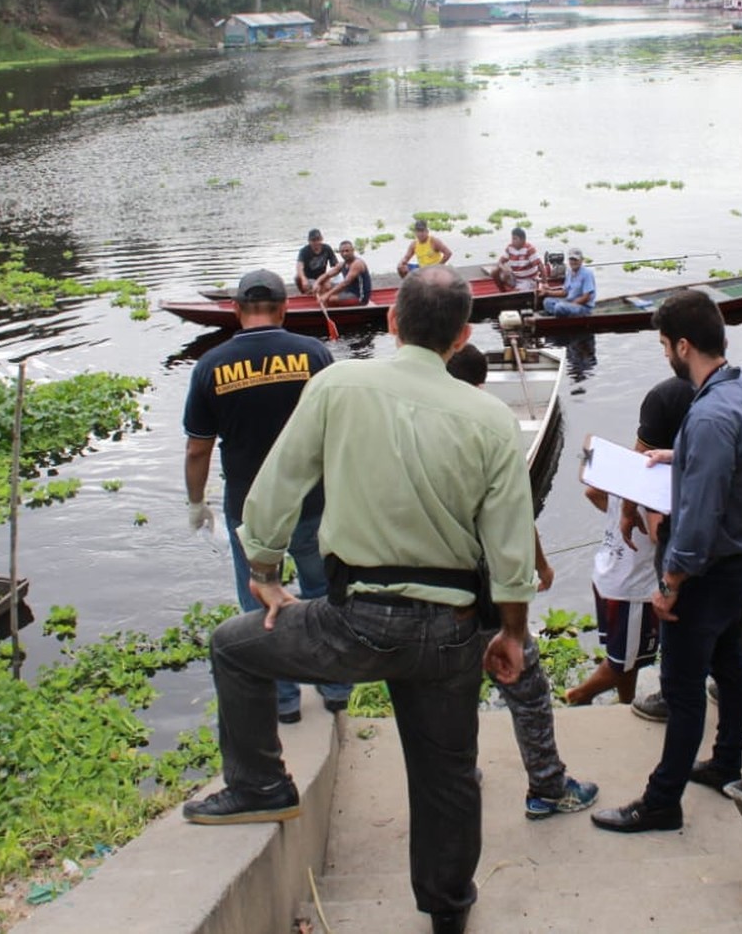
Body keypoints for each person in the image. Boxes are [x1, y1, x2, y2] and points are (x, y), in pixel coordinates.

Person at [183, 266, 535, 934]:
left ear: (393, 321)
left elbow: (277, 488)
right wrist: (510, 634)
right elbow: (512, 550)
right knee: (448, 776)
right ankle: (449, 910)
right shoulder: (491, 419)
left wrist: (264, 568)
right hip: (453, 628)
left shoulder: (338, 383)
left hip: (357, 624)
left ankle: (262, 786)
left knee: (235, 647)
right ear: (463, 336)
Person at [592, 291, 742, 833]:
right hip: (740, 561)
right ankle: (726, 762)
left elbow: (698, 512)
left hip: (704, 573)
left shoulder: (707, 414)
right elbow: (733, 460)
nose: (665, 354)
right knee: (731, 669)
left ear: (684, 345)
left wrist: (670, 580)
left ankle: (661, 800)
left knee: (684, 688)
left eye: (666, 345)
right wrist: (678, 455)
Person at [181, 269, 350, 723]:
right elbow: (338, 430)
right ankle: (335, 690)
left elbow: (199, 447)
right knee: (323, 594)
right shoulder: (313, 354)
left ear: (236, 310)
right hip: (313, 504)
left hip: (249, 511)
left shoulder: (210, 366)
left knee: (260, 602)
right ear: (285, 308)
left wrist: (196, 502)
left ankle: (286, 703)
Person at [442, 343, 599, 819]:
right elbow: (512, 510)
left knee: (453, 686)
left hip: (437, 580)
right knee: (526, 688)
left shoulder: (419, 422)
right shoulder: (491, 421)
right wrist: (541, 565)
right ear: (482, 384)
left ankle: (458, 775)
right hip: (485, 579)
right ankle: (548, 788)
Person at [565, 376, 695, 707]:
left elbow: (589, 483)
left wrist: (619, 507)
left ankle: (626, 705)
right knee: (622, 662)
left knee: (629, 656)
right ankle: (577, 695)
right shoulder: (660, 485)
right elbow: (656, 532)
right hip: (634, 590)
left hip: (607, 574)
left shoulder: (622, 469)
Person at [315, 239, 372, 306]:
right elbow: (327, 275)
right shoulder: (342, 264)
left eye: (347, 251)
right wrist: (317, 283)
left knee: (329, 299)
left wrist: (327, 295)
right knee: (324, 283)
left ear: (353, 250)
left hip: (359, 297)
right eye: (342, 251)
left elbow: (345, 283)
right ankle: (325, 303)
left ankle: (328, 306)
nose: (345, 253)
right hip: (348, 291)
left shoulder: (357, 264)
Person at [541, 247, 595, 317]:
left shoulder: (587, 273)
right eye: (571, 259)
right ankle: (562, 315)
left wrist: (571, 304)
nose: (573, 262)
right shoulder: (570, 273)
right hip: (570, 302)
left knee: (559, 307)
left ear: (581, 260)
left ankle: (561, 314)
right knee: (547, 302)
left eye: (575, 260)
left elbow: (587, 297)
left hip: (583, 306)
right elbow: (565, 292)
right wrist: (547, 292)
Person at [495, 226, 545, 291]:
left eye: (515, 239)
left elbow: (540, 264)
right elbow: (500, 262)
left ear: (522, 240)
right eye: (512, 239)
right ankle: (503, 292)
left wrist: (545, 282)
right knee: (494, 272)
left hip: (528, 279)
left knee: (517, 293)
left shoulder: (529, 249)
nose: (512, 241)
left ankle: (519, 291)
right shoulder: (510, 248)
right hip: (515, 277)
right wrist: (504, 269)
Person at [294, 228, 337, 296]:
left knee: (326, 287)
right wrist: (303, 279)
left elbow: (335, 266)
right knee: (297, 277)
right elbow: (299, 266)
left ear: (321, 239)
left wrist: (328, 277)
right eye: (313, 240)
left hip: (322, 276)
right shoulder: (304, 251)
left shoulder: (327, 249)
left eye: (318, 239)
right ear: (309, 241)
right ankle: (305, 293)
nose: (316, 242)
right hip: (309, 277)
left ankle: (319, 293)